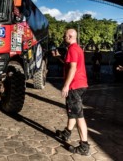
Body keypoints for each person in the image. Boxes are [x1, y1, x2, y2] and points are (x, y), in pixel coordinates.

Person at [54, 28, 90, 156]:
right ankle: (66, 133)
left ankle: (84, 146)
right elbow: (69, 65)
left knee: (79, 116)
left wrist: (66, 85)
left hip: (75, 86)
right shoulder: (77, 48)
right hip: (80, 84)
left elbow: (73, 68)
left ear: (70, 36)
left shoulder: (72, 49)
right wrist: (59, 57)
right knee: (73, 111)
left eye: (64, 36)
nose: (63, 38)